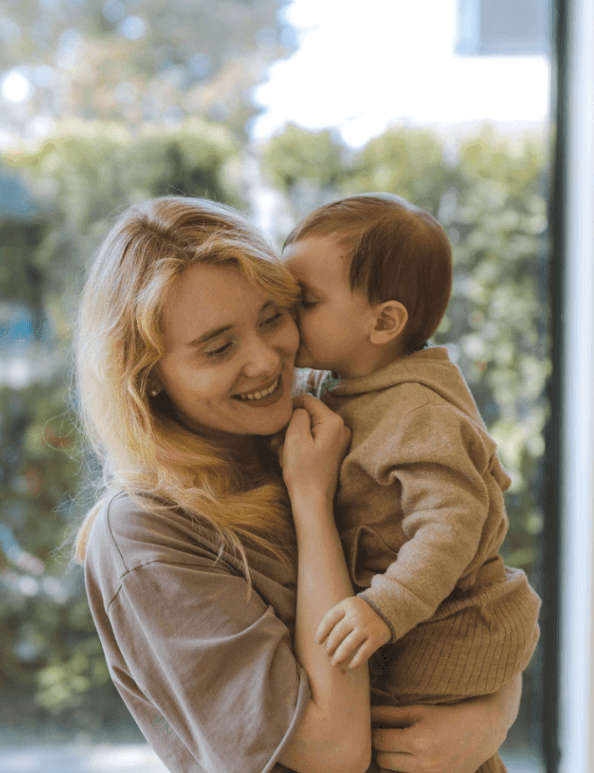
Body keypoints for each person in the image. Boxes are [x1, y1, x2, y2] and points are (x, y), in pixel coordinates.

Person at [74, 196, 524, 773]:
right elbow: (330, 750)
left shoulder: (322, 421)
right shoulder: (145, 536)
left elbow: (475, 581)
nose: (266, 362)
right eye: (217, 348)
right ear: (148, 378)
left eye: (273, 317)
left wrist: (490, 712)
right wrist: (311, 503)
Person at [282, 194, 542, 773]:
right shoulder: (351, 384)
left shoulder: (415, 411)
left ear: (384, 321)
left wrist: (384, 606)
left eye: (306, 302)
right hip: (424, 629)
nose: (287, 318)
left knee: (405, 742)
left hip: (451, 630)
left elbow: (450, 523)